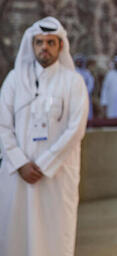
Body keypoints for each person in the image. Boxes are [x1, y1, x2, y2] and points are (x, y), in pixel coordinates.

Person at [0, 17, 89, 256]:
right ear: (32, 44)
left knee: (55, 235)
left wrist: (44, 163)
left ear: (61, 46)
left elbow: (76, 129)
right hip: (18, 174)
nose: (44, 48)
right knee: (15, 235)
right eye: (39, 42)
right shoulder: (14, 80)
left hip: (56, 176)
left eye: (51, 42)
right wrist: (20, 162)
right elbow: (2, 125)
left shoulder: (74, 82)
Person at [74, 54, 94, 120]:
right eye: (78, 61)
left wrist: (85, 92)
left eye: (80, 61)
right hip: (75, 97)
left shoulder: (87, 73)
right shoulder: (73, 72)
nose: (79, 63)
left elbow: (91, 84)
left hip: (85, 96)